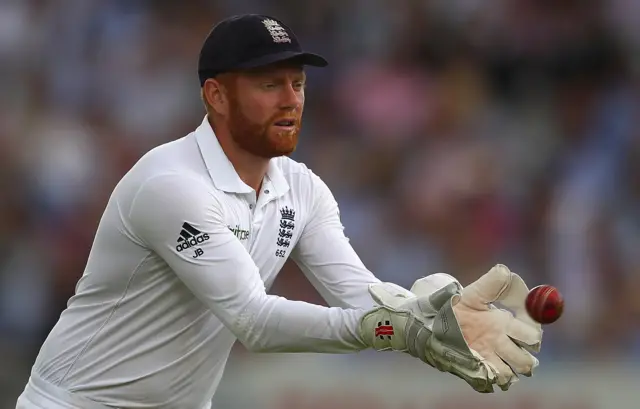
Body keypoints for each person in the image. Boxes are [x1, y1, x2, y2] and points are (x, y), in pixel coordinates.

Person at [15, 14, 543, 409]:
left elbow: (361, 296)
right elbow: (255, 321)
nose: (290, 100)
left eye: (298, 83)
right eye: (269, 85)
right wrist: (393, 329)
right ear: (216, 96)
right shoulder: (170, 185)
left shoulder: (302, 189)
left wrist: (430, 323)